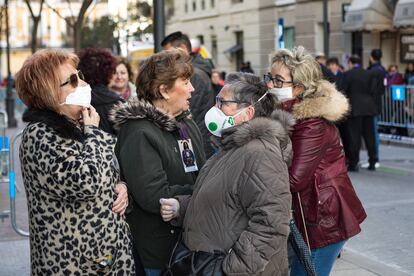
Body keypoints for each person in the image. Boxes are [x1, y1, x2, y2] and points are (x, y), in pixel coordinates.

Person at [15, 49, 139, 275]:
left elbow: (110, 172)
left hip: (110, 258)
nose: (83, 84)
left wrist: (122, 187)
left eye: (79, 75)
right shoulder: (40, 135)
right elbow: (85, 183)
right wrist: (92, 132)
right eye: (72, 81)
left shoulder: (81, 126)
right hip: (72, 263)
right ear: (49, 92)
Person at [160, 72, 293, 275]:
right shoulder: (232, 146)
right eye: (216, 100)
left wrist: (230, 269)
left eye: (223, 102)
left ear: (248, 113)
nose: (215, 108)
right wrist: (183, 206)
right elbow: (227, 201)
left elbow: (271, 224)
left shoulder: (260, 154)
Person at [268, 46, 366, 276]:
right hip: (308, 218)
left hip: (321, 222)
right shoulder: (288, 115)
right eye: (270, 78)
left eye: (278, 81)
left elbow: (293, 180)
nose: (270, 85)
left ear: (299, 87)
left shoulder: (311, 124)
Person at [111, 49, 206, 276]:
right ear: (164, 90)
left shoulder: (185, 123)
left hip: (191, 239)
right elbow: (154, 196)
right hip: (161, 251)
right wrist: (204, 194)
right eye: (185, 82)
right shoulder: (138, 131)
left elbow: (203, 172)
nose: (192, 88)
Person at [161, 31, 215, 158]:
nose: (168, 59)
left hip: (198, 144)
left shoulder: (194, 75)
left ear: (183, 48)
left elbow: (189, 113)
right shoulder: (195, 71)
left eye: (170, 53)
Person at [341, 55, 378, 171]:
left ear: (351, 63)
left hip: (355, 109)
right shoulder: (368, 73)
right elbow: (373, 90)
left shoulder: (348, 74)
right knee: (369, 137)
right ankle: (372, 161)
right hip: (368, 109)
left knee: (354, 137)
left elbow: (343, 90)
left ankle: (354, 163)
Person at [78, 48, 123, 135]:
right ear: (108, 73)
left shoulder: (75, 102)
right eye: (113, 72)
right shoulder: (117, 103)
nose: (115, 76)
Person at [365, 49, 387, 170]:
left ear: (372, 57)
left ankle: (375, 158)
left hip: (371, 104)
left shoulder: (373, 71)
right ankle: (374, 157)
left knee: (373, 133)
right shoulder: (382, 70)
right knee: (374, 131)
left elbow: (371, 88)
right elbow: (383, 87)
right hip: (377, 103)